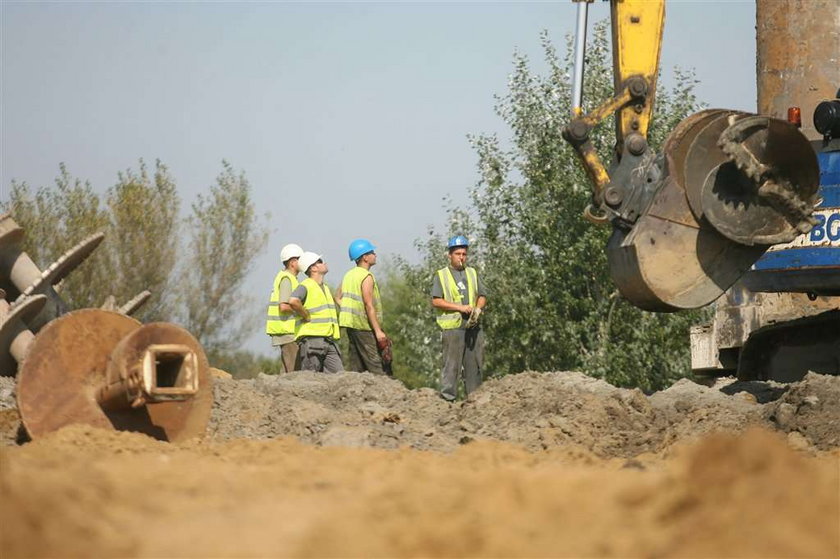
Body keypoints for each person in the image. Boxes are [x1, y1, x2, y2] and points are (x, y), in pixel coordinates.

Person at [430, 235, 487, 401]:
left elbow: (482, 295)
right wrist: (460, 308)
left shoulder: (472, 273)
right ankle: (448, 400)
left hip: (472, 327)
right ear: (450, 255)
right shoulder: (442, 275)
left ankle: (474, 399)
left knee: (474, 365)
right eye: (458, 254)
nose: (461, 257)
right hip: (453, 328)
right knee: (451, 366)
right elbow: (436, 300)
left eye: (464, 254)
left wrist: (477, 308)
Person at [335, 239, 390, 374]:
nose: (375, 255)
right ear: (365, 257)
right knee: (375, 364)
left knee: (356, 365)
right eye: (372, 252)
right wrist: (378, 331)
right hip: (364, 326)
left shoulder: (349, 275)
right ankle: (384, 391)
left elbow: (337, 297)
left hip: (351, 326)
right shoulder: (366, 276)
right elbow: (368, 305)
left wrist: (351, 310)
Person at [289, 251, 343, 373]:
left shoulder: (325, 287)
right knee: (310, 380)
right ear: (313, 268)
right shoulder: (306, 285)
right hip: (312, 342)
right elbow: (293, 301)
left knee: (340, 377)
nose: (324, 263)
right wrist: (305, 315)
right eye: (320, 261)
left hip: (328, 341)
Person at [265, 243, 304, 373]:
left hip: (287, 332)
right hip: (287, 332)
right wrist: (301, 311)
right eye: (300, 259)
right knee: (293, 371)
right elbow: (283, 306)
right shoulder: (287, 279)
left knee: (287, 371)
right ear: (293, 262)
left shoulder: (290, 278)